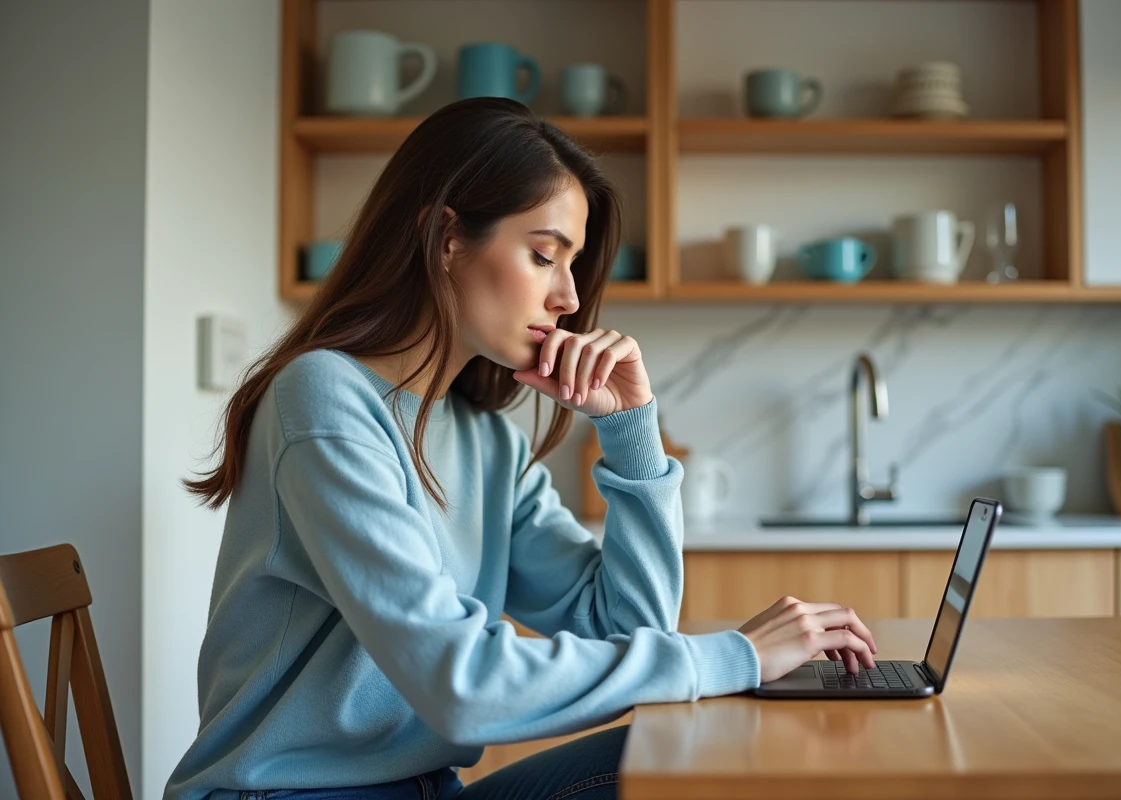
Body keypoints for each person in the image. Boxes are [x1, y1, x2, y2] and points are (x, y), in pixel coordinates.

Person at [165, 97, 877, 800]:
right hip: (285, 797)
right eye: (544, 255)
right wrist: (736, 656)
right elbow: (460, 685)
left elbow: (628, 626)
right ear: (447, 239)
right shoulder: (323, 397)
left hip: (425, 788)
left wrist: (631, 428)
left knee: (678, 748)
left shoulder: (487, 443)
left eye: (573, 264)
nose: (569, 295)